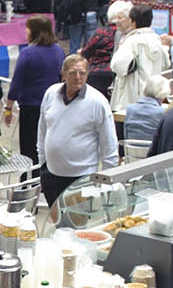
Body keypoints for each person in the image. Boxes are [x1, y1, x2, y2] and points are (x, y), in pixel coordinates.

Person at [36, 53, 118, 209]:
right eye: (72, 73)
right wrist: (42, 163)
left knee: (78, 226)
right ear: (64, 75)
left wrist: (107, 180)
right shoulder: (51, 94)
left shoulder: (98, 102)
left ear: (87, 75)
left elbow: (109, 144)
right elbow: (42, 129)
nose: (78, 77)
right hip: (51, 174)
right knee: (56, 226)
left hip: (82, 178)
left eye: (82, 73)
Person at [5, 16, 65, 161]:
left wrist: (8, 107)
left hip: (30, 106)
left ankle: (30, 177)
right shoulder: (58, 51)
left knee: (29, 145)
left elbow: (17, 82)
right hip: (53, 104)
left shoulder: (28, 53)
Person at [109, 2, 169, 113]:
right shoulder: (157, 40)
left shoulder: (131, 41)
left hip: (131, 97)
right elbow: (166, 65)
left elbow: (117, 65)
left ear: (132, 21)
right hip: (153, 94)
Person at [124, 72, 171, 153]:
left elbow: (126, 136)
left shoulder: (130, 109)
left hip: (133, 157)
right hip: (154, 159)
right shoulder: (163, 113)